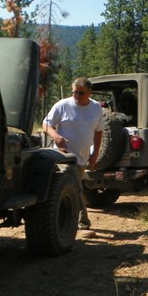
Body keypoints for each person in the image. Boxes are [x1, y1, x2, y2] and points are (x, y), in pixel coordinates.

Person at [43, 77, 104, 231]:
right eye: (74, 92)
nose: (77, 96)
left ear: (89, 92)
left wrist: (95, 153)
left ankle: (65, 221)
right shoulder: (63, 105)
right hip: (64, 156)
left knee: (73, 188)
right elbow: (46, 124)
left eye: (81, 93)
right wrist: (55, 136)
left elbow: (98, 131)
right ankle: (82, 221)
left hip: (82, 156)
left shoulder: (96, 108)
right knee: (75, 186)